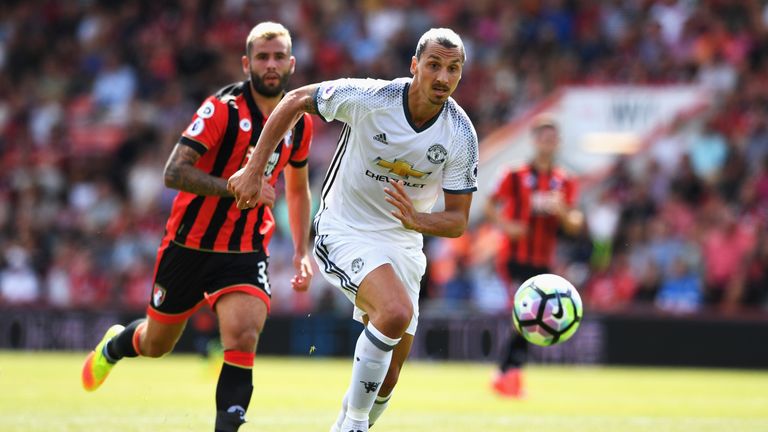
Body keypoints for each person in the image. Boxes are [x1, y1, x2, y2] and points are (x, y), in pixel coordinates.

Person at [228, 27, 478, 432]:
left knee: (390, 376)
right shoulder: (371, 97)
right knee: (395, 312)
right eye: (434, 65)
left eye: (453, 69)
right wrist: (255, 168)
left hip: (403, 241)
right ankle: (354, 425)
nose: (443, 78)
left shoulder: (461, 134)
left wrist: (418, 221)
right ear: (415, 66)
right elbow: (294, 100)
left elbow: (458, 220)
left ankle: (345, 424)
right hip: (345, 226)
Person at [81, 22, 314, 432]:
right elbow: (173, 173)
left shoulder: (301, 120)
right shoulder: (222, 109)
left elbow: (296, 189)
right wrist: (234, 185)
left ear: (292, 63)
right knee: (156, 344)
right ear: (247, 63)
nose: (271, 64)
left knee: (242, 336)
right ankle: (116, 344)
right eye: (263, 56)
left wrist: (300, 250)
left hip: (245, 248)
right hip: (188, 244)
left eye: (279, 56)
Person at [486, 114, 583, 398]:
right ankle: (507, 374)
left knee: (530, 318)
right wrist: (507, 225)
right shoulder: (513, 175)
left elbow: (575, 223)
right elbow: (490, 206)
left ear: (558, 143)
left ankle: (507, 373)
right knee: (525, 314)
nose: (547, 142)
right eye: (543, 137)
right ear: (534, 141)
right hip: (513, 257)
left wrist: (562, 211)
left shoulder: (564, 181)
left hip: (543, 262)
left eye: (552, 138)